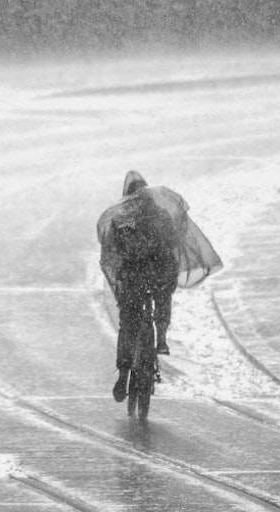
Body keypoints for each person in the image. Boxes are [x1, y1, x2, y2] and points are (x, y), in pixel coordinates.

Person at [97, 171, 194, 403]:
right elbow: (173, 242)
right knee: (162, 299)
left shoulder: (121, 218)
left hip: (133, 281)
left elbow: (111, 250)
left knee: (129, 323)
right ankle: (160, 337)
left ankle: (123, 373)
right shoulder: (160, 214)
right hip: (158, 276)